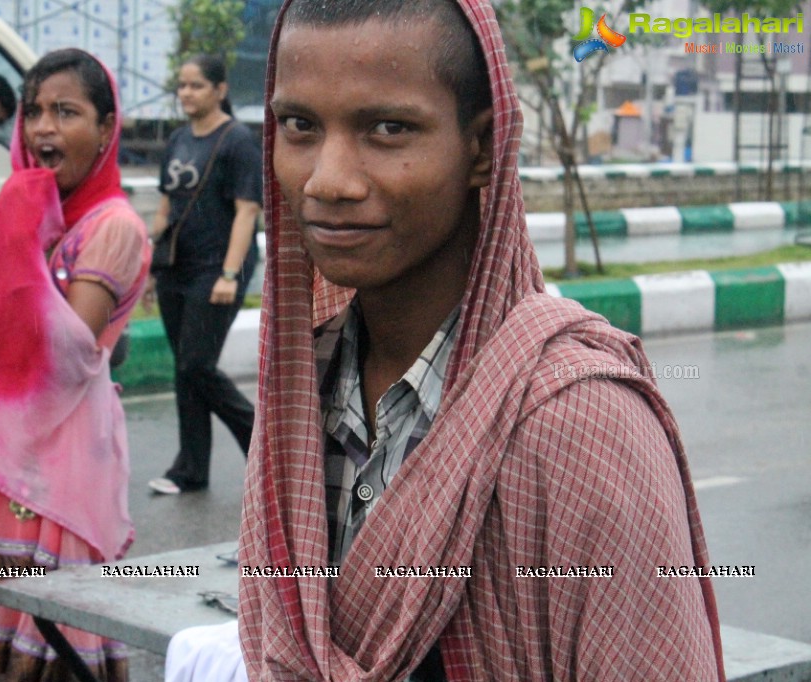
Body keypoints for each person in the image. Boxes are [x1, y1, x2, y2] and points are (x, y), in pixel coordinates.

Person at [237, 0, 727, 680]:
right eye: (299, 126)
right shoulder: (300, 390)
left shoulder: (576, 422)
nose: (327, 181)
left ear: (482, 147)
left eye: (387, 129)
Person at [0, 48, 149, 681]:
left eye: (67, 112)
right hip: (1, 456)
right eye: (33, 112)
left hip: (59, 469)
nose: (42, 130)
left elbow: (66, 349)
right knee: (2, 649)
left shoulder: (112, 226)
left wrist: (15, 234)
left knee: (56, 642)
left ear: (108, 129)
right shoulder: (35, 213)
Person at [146, 54, 261, 495]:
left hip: (216, 268)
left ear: (220, 89)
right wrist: (144, 248)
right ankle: (190, 469)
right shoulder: (177, 139)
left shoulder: (237, 141)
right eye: (182, 85)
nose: (186, 93)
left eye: (196, 85)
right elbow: (165, 206)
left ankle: (262, 444)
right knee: (185, 369)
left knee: (197, 364)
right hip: (176, 266)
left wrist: (230, 273)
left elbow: (247, 211)